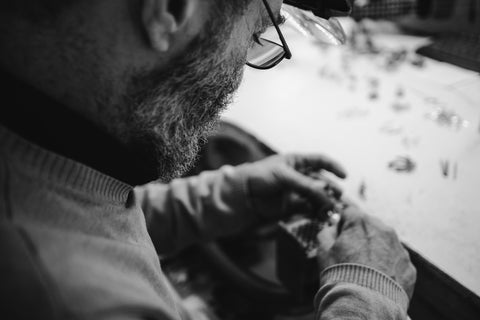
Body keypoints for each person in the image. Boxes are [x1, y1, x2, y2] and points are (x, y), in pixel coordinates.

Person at [0, 0, 416, 319]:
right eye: (257, 30)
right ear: (171, 9)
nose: (242, 66)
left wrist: (235, 195)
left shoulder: (35, 150)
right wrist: (368, 297)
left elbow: (85, 215)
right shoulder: (70, 299)